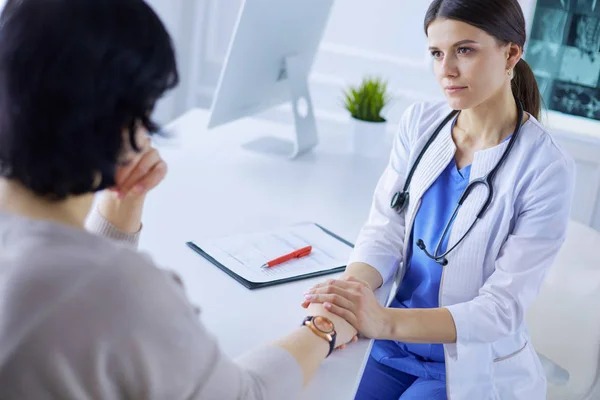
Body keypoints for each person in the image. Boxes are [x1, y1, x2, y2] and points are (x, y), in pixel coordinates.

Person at [0, 0, 358, 398]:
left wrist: (121, 211)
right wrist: (322, 328)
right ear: (123, 121)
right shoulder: (122, 287)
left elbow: (62, 285)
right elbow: (243, 393)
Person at [302, 0, 576, 399]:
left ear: (511, 53)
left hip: (469, 363)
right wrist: (348, 297)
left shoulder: (545, 167)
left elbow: (501, 308)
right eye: (437, 53)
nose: (446, 70)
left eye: (464, 50)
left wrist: (382, 321)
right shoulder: (420, 124)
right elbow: (385, 230)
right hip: (390, 346)